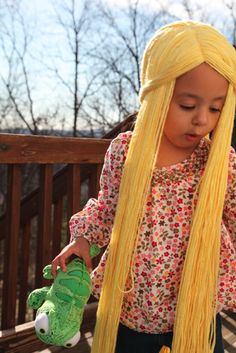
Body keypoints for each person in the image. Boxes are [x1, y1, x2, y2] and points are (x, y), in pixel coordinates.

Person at [51, 21, 236, 353]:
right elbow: (107, 207)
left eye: (215, 108)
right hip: (132, 308)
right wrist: (82, 239)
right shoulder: (126, 151)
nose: (202, 120)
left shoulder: (221, 162)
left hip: (195, 316)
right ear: (157, 94)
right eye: (188, 105)